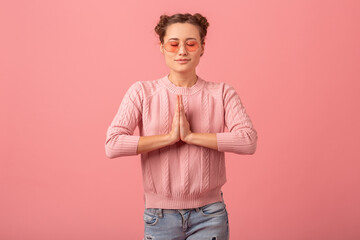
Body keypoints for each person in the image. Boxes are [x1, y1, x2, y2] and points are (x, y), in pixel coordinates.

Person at [104, 12, 258, 240]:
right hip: (159, 215)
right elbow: (112, 144)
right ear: (162, 47)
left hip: (210, 214)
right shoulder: (142, 92)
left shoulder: (222, 92)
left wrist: (192, 136)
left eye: (191, 44)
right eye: (174, 44)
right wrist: (169, 138)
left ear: (202, 47)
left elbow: (248, 141)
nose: (182, 51)